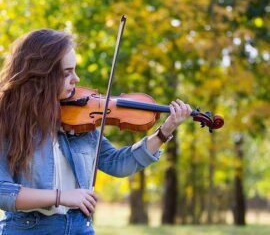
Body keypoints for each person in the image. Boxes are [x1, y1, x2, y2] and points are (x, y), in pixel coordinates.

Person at [0, 28, 192, 234]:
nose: (76, 78)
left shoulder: (79, 119)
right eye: (67, 73)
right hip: (28, 229)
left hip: (79, 226)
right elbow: (3, 191)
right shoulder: (8, 122)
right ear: (41, 75)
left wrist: (164, 131)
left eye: (74, 70)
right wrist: (61, 196)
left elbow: (118, 163)